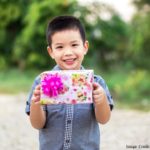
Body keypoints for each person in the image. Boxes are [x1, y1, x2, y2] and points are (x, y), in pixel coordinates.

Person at [25, 15, 114, 150]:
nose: (68, 52)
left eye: (74, 45)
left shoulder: (96, 83)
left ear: (85, 47)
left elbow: (104, 119)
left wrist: (101, 101)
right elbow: (38, 124)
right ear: (51, 51)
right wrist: (36, 104)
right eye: (60, 47)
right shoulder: (42, 82)